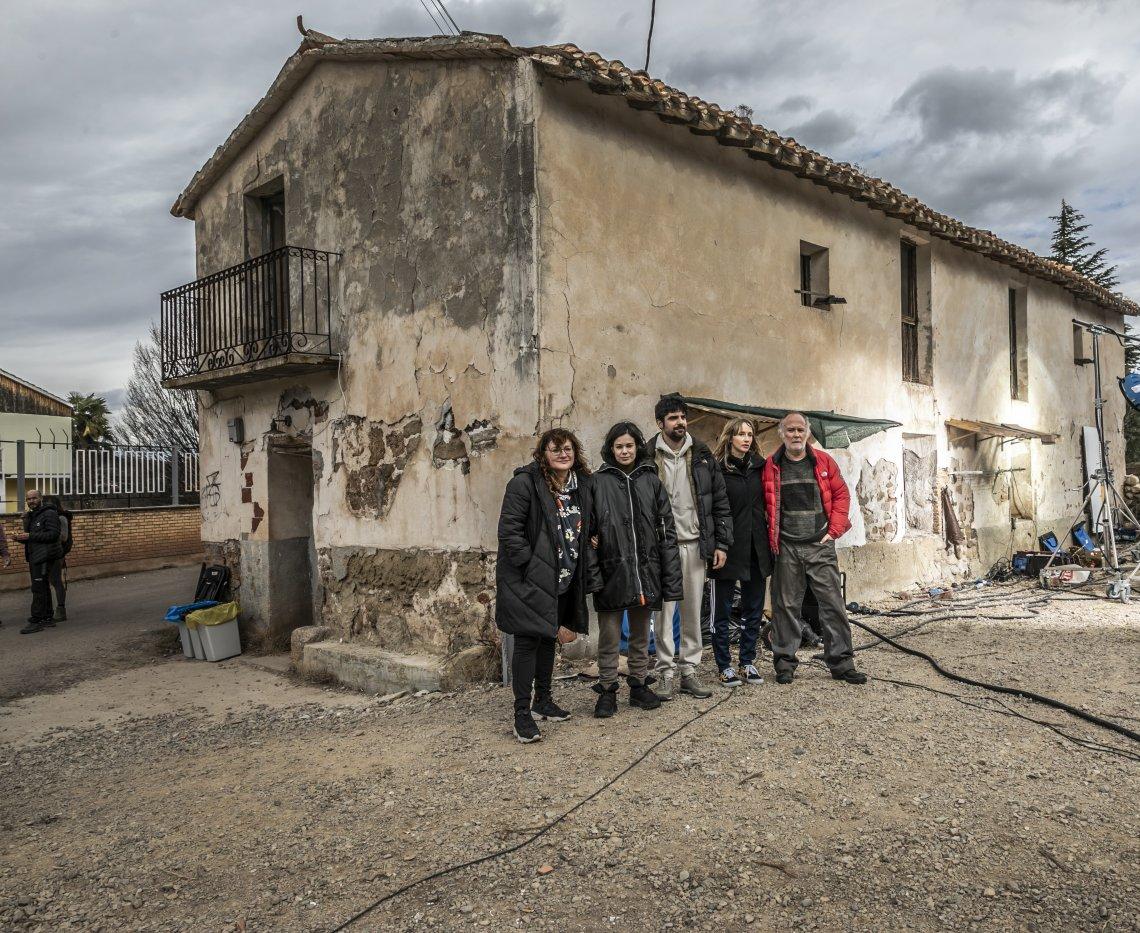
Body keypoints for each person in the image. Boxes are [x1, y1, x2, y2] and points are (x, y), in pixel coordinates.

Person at [496, 428, 597, 743]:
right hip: (531, 577)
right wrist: (531, 565)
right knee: (527, 642)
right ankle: (522, 716)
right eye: (555, 449)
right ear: (543, 454)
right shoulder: (524, 484)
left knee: (547, 639)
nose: (563, 454)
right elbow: (509, 531)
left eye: (567, 449)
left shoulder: (580, 487)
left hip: (564, 576)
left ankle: (543, 701)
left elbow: (585, 524)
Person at [761, 413, 866, 685]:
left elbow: (842, 495)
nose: (796, 435)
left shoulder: (823, 461)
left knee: (832, 604)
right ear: (781, 433)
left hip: (820, 545)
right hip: (786, 546)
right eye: (790, 430)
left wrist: (834, 531)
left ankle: (842, 663)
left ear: (807, 433)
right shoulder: (771, 465)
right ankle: (784, 664)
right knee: (785, 607)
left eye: (800, 430)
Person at [589, 421, 683, 718]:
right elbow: (588, 531)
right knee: (610, 634)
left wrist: (669, 575)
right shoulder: (597, 482)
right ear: (611, 449)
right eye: (619, 446)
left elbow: (666, 529)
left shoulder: (651, 481)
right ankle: (606, 690)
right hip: (611, 570)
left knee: (642, 633)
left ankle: (639, 684)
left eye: (629, 445)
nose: (625, 451)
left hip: (646, 570)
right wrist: (593, 571)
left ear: (637, 447)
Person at [649, 395, 732, 699]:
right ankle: (664, 673)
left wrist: (721, 543)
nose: (680, 422)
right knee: (663, 613)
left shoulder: (702, 455)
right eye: (673, 417)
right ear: (660, 424)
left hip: (695, 545)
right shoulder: (647, 456)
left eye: (682, 417)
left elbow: (720, 501)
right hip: (662, 549)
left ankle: (689, 670)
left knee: (692, 611)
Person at [709, 418, 772, 687]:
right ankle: (724, 665)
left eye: (749, 434)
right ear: (729, 438)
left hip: (757, 547)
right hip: (727, 548)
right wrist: (715, 544)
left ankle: (747, 662)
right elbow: (710, 510)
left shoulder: (761, 467)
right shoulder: (716, 469)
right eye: (740, 434)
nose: (745, 439)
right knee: (721, 611)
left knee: (753, 609)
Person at [12, 489, 62, 635]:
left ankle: (37, 620)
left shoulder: (50, 513)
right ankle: (47, 617)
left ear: (40, 498)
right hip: (36, 555)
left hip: (45, 556)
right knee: (43, 586)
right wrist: (22, 537)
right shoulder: (33, 515)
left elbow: (53, 534)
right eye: (28, 499)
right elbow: (33, 538)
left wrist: (30, 535)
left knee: (38, 588)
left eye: (34, 498)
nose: (31, 501)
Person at [44, 495, 72, 622]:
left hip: (57, 554)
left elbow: (63, 537)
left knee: (56, 581)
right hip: (48, 553)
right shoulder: (50, 517)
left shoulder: (61, 518)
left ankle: (61, 610)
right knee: (51, 581)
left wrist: (45, 535)